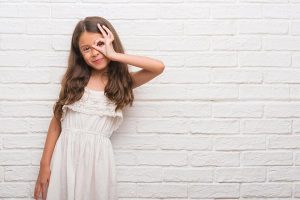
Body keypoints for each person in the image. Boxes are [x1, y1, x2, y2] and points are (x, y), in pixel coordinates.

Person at [33, 16, 165, 200]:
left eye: (100, 44)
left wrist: (113, 55)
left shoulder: (122, 83)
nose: (94, 52)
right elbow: (56, 123)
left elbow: (158, 67)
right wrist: (44, 165)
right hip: (65, 157)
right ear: (80, 54)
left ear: (111, 43)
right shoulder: (74, 82)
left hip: (98, 162)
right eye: (86, 49)